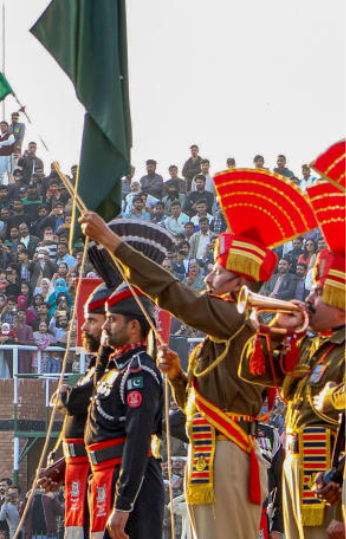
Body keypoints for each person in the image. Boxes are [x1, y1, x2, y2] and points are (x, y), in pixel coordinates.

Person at [82, 168, 317, 539]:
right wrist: (178, 379)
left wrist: (113, 242)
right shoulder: (230, 324)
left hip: (225, 451)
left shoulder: (233, 316)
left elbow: (172, 292)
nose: (207, 277)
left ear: (238, 282)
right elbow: (204, 402)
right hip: (216, 446)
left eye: (217, 270)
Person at [239, 173, 344, 539]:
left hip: (329, 474)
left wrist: (343, 512)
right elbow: (255, 376)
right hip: (297, 465)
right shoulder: (313, 343)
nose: (309, 300)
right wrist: (280, 329)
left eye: (318, 293)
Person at [83, 286, 165, 539]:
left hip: (130, 487)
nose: (106, 327)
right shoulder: (117, 368)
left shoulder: (139, 374)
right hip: (105, 481)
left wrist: (123, 502)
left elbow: (137, 437)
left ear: (134, 326)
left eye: (113, 319)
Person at [44, 284, 109, 539]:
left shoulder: (116, 369)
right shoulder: (95, 368)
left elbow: (73, 403)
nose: (83, 327)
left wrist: (63, 396)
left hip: (101, 478)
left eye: (92, 320)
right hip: (78, 475)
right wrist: (63, 466)